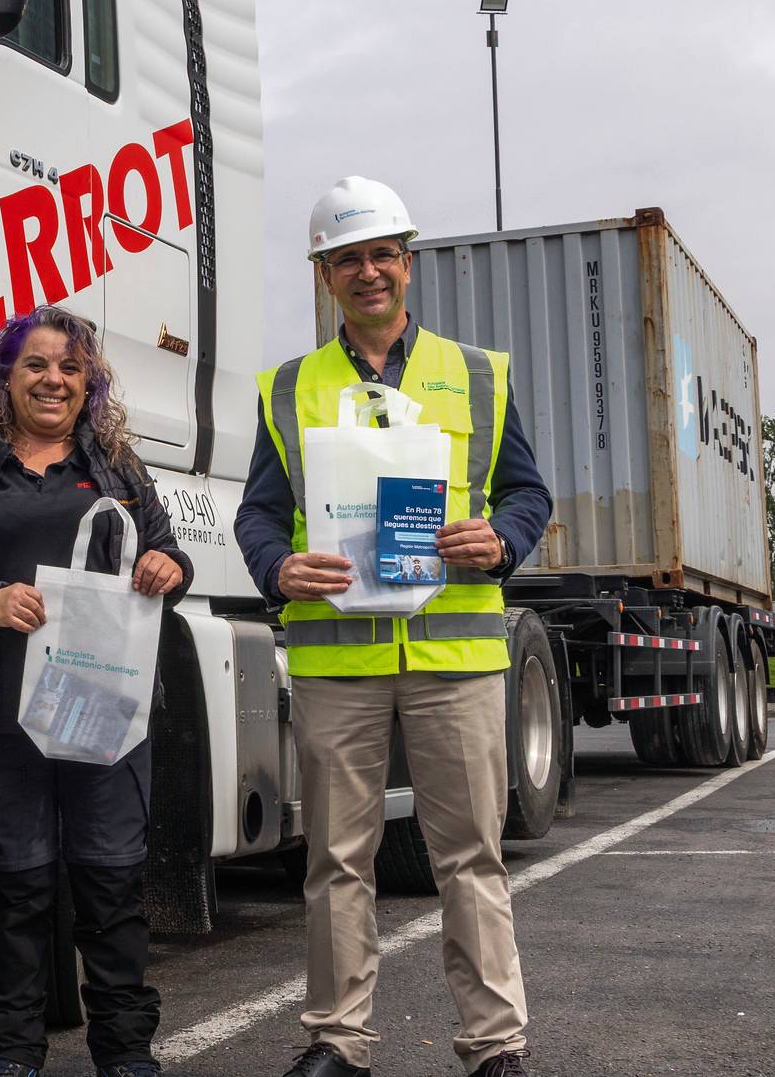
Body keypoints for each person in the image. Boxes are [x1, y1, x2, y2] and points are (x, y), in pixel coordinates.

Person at [235, 176, 553, 1077]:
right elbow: (260, 515)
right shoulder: (291, 389)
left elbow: (527, 492)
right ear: (324, 275)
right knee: (338, 859)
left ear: (407, 264)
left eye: (381, 254)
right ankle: (338, 1043)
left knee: (471, 858)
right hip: (339, 659)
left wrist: (501, 539)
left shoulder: (477, 374)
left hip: (455, 652)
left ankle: (495, 1048)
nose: (367, 272)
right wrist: (277, 566)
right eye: (347, 259)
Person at [0, 305, 194, 1077]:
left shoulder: (116, 467)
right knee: (16, 887)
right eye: (36, 365)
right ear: (3, 376)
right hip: (1, 709)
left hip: (101, 707)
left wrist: (166, 571)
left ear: (90, 384)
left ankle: (125, 1052)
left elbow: (171, 558)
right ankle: (12, 1053)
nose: (53, 380)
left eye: (71, 368)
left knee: (111, 882)